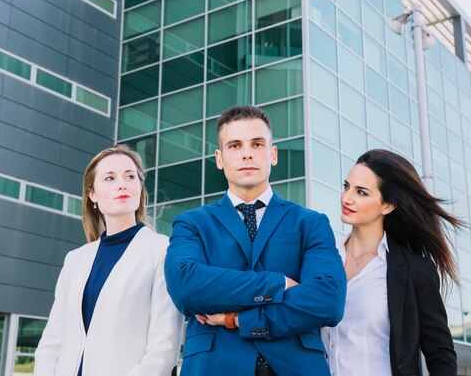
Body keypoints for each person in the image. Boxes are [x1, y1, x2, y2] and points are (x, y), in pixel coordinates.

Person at [164, 105, 346, 376]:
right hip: (214, 366)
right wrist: (278, 283)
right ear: (219, 158)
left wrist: (237, 319)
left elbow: (328, 300)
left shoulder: (310, 222)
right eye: (235, 145)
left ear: (273, 154)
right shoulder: (192, 223)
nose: (247, 153)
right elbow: (186, 288)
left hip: (296, 366)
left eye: (257, 144)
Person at [34, 145, 183, 376]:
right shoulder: (75, 260)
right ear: (92, 194)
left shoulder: (162, 250)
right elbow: (51, 342)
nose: (122, 184)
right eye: (110, 178)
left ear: (140, 188)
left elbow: (164, 348)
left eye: (130, 176)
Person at [322, 149, 460, 376]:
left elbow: (441, 354)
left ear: (387, 205)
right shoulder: (323, 256)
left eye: (361, 192)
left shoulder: (415, 270)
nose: (347, 198)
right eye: (346, 186)